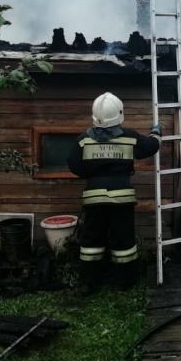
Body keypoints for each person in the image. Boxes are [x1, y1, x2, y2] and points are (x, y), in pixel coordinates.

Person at [67, 92, 162, 293]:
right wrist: (156, 132)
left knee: (92, 240)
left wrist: (92, 174)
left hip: (94, 198)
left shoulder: (83, 140)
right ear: (119, 114)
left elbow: (74, 165)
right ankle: (124, 282)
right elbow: (151, 147)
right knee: (123, 240)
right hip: (122, 199)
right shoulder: (129, 137)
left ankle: (89, 282)